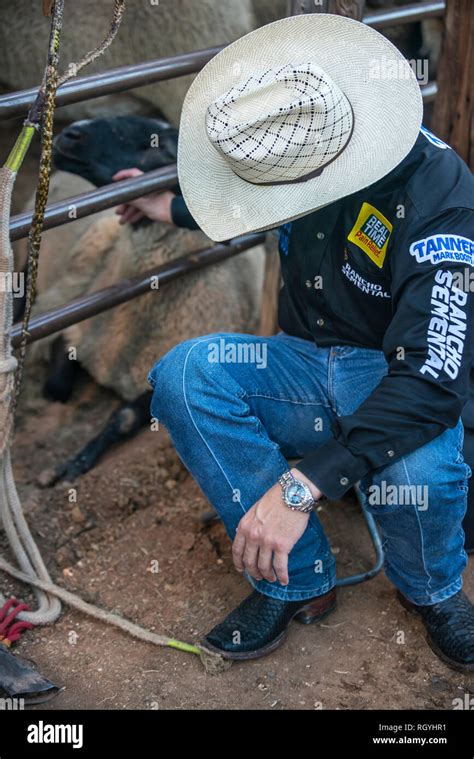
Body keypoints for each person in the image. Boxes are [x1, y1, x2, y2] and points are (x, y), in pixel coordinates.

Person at [115, 14, 474, 669]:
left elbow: (432, 378)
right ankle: (297, 580)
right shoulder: (296, 145)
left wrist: (298, 487)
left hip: (392, 369)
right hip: (301, 358)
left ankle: (433, 588)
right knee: (186, 374)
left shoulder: (441, 198)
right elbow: (260, 190)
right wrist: (176, 206)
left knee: (419, 472)